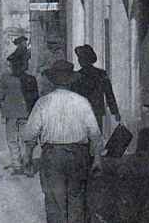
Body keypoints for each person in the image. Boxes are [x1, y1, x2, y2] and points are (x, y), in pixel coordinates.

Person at [23, 59, 103, 223]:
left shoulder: (43, 102)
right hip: (78, 156)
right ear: (71, 80)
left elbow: (31, 134)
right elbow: (95, 133)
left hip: (53, 157)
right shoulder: (82, 102)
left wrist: (28, 157)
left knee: (54, 201)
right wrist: (97, 159)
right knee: (77, 199)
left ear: (53, 80)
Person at [0, 54, 39, 175]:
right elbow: (36, 99)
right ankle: (27, 164)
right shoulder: (31, 79)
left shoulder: (5, 78)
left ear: (13, 66)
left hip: (11, 115)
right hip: (26, 114)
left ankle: (17, 164)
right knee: (26, 140)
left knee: (12, 140)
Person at [70, 44, 120, 133]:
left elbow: (109, 94)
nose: (79, 60)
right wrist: (115, 112)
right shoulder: (101, 74)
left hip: (83, 112)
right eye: (79, 57)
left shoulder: (76, 76)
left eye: (81, 57)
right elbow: (109, 94)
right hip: (94, 112)